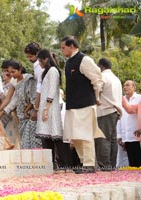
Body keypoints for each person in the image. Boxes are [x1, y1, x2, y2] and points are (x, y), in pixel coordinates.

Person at [61, 35, 104, 174]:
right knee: (74, 135)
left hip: (85, 103)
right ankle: (84, 162)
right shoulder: (68, 62)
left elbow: (97, 79)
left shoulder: (84, 59)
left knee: (85, 135)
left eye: (63, 47)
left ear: (71, 46)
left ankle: (89, 164)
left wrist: (97, 97)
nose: (62, 50)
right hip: (72, 105)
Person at [35, 49, 71, 170]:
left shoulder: (53, 71)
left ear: (46, 59)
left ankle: (62, 164)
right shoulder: (46, 71)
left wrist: (46, 109)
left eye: (40, 60)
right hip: (45, 107)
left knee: (56, 136)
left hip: (50, 108)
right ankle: (51, 164)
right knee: (47, 137)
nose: (39, 63)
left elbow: (52, 91)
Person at [94, 58, 122, 171]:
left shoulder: (103, 77)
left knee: (103, 139)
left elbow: (97, 90)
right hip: (115, 111)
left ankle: (105, 165)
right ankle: (111, 165)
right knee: (112, 139)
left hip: (104, 111)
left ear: (101, 66)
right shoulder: (116, 79)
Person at [7, 60, 42, 149]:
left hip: (30, 114)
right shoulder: (14, 83)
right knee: (24, 140)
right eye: (9, 72)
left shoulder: (29, 80)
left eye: (13, 72)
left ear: (20, 70)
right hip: (21, 116)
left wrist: (26, 110)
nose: (11, 74)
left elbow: (33, 98)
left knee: (32, 139)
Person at [117, 80, 141, 167]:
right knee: (131, 164)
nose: (125, 87)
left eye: (127, 85)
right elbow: (119, 118)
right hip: (126, 135)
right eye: (124, 86)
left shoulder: (139, 98)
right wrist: (119, 135)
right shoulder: (121, 100)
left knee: (139, 161)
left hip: (137, 135)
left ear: (134, 87)